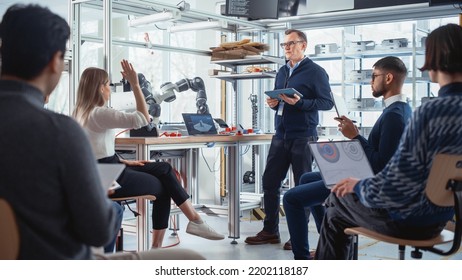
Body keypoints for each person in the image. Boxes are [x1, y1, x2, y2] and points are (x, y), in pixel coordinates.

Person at [0, 3, 204, 260]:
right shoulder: (60, 133)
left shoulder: (69, 124)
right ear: (55, 62)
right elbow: (98, 230)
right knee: (192, 260)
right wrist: (94, 191)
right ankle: (187, 224)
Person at [315, 23, 462, 260]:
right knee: (336, 206)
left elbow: (395, 185)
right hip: (442, 217)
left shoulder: (430, 112)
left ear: (436, 58)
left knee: (336, 198)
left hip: (411, 220)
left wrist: (358, 186)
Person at [72, 61, 224, 249]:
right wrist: (135, 85)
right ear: (99, 88)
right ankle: (173, 236)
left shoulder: (78, 112)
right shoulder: (99, 113)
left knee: (164, 168)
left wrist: (125, 161)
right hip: (110, 177)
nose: (110, 90)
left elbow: (91, 150)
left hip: (103, 171)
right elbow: (142, 119)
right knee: (163, 186)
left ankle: (192, 223)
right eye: (107, 85)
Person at [283, 56, 412, 259]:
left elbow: (380, 166)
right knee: (306, 178)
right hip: (369, 175)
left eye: (374, 76)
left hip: (371, 184)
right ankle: (328, 242)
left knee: (291, 199)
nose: (370, 81)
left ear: (388, 78)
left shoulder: (394, 117)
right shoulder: (399, 110)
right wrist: (355, 136)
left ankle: (303, 260)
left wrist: (355, 137)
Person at [245, 29, 334, 247]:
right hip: (281, 135)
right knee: (270, 182)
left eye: (291, 44)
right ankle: (270, 231)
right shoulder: (282, 71)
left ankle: (298, 236)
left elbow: (326, 103)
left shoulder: (316, 72)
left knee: (302, 188)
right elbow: (281, 97)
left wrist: (300, 103)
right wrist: (274, 103)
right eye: (284, 44)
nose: (286, 48)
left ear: (303, 46)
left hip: (304, 136)